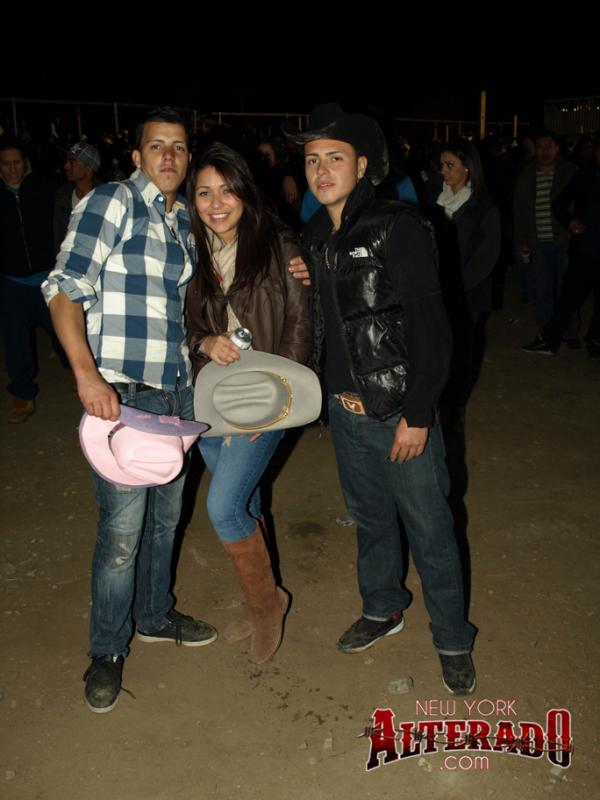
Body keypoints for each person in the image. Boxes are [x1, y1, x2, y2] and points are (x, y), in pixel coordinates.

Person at [285, 103, 477, 696]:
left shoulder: (399, 226)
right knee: (371, 521)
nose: (321, 170)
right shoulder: (316, 236)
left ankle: (452, 638)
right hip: (345, 413)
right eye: (312, 160)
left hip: (398, 414)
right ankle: (382, 607)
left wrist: (418, 415)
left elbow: (432, 330)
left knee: (431, 530)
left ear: (363, 165)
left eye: (334, 157)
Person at [42, 107, 217, 714]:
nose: (169, 155)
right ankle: (108, 650)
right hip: (122, 392)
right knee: (121, 534)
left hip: (175, 393)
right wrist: (86, 375)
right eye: (157, 146)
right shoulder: (113, 201)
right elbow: (64, 288)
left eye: (179, 146)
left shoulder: (183, 219)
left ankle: (154, 614)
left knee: (166, 521)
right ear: (137, 156)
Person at [185, 143, 310, 663]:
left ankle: (266, 607)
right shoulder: (193, 253)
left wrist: (279, 401)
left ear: (245, 192)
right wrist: (205, 341)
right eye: (204, 193)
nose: (216, 204)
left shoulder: (280, 246)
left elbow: (299, 325)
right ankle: (264, 597)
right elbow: (189, 326)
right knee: (246, 502)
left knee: (222, 507)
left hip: (266, 397)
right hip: (213, 399)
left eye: (227, 190)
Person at [426, 139, 500, 418]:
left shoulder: (483, 206)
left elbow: (486, 258)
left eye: (450, 165)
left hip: (468, 293)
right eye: (442, 165)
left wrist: (455, 287)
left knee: (461, 351)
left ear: (467, 167)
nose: (443, 171)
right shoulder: (434, 200)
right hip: (435, 289)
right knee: (435, 347)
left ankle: (455, 405)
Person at [0, 139, 69, 423]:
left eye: (17, 162)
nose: (12, 169)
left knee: (66, 333)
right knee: (15, 342)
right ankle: (23, 393)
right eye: (6, 163)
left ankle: (82, 376)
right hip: (12, 283)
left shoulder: (44, 187)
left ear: (25, 163)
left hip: (47, 279)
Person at [514, 132, 579, 351]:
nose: (544, 151)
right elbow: (519, 210)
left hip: (564, 239)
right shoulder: (526, 174)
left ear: (557, 148)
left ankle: (570, 332)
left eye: (549, 146)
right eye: (540, 147)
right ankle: (546, 333)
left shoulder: (570, 172)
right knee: (543, 291)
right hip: (538, 240)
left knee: (567, 289)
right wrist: (521, 239)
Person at [53, 141, 102, 253]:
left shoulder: (105, 197)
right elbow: (58, 235)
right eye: (67, 162)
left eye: (72, 162)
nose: (66, 166)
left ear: (88, 168)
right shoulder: (63, 195)